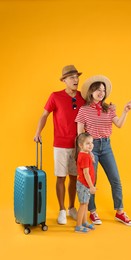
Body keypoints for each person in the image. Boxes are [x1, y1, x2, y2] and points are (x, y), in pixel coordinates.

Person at [75, 75, 131, 226]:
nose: (101, 92)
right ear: (91, 92)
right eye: (98, 89)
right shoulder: (84, 110)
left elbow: (119, 124)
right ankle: (93, 211)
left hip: (106, 146)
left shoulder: (109, 108)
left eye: (103, 90)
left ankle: (120, 212)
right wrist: (87, 152)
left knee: (115, 179)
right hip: (90, 147)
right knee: (91, 180)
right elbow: (80, 135)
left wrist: (125, 111)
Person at [34, 65, 85, 224]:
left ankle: (71, 208)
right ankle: (62, 210)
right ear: (64, 80)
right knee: (61, 177)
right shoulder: (55, 96)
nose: (75, 80)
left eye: (77, 77)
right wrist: (37, 133)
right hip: (61, 144)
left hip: (78, 145)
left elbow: (94, 107)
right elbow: (44, 115)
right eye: (72, 77)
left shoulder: (83, 97)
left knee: (74, 177)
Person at [74, 133, 96, 233]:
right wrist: (91, 186)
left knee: (86, 203)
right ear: (81, 145)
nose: (91, 145)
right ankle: (78, 226)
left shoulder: (85, 154)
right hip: (84, 185)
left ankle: (84, 222)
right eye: (88, 143)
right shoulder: (85, 156)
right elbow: (86, 173)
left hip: (85, 184)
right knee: (83, 204)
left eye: (91, 142)